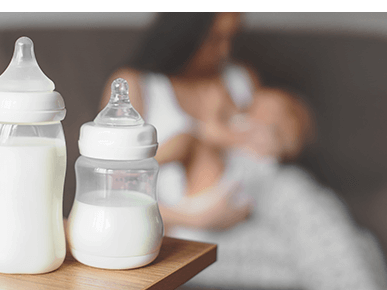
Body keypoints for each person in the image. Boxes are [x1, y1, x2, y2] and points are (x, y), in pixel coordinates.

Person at [101, 12, 386, 290]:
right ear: (184, 34)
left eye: (230, 38)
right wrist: (197, 218)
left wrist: (273, 139)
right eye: (214, 39)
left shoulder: (239, 77)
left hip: (258, 200)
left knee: (309, 210)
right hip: (190, 226)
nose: (224, 50)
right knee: (353, 248)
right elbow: (112, 188)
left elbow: (281, 138)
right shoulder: (134, 85)